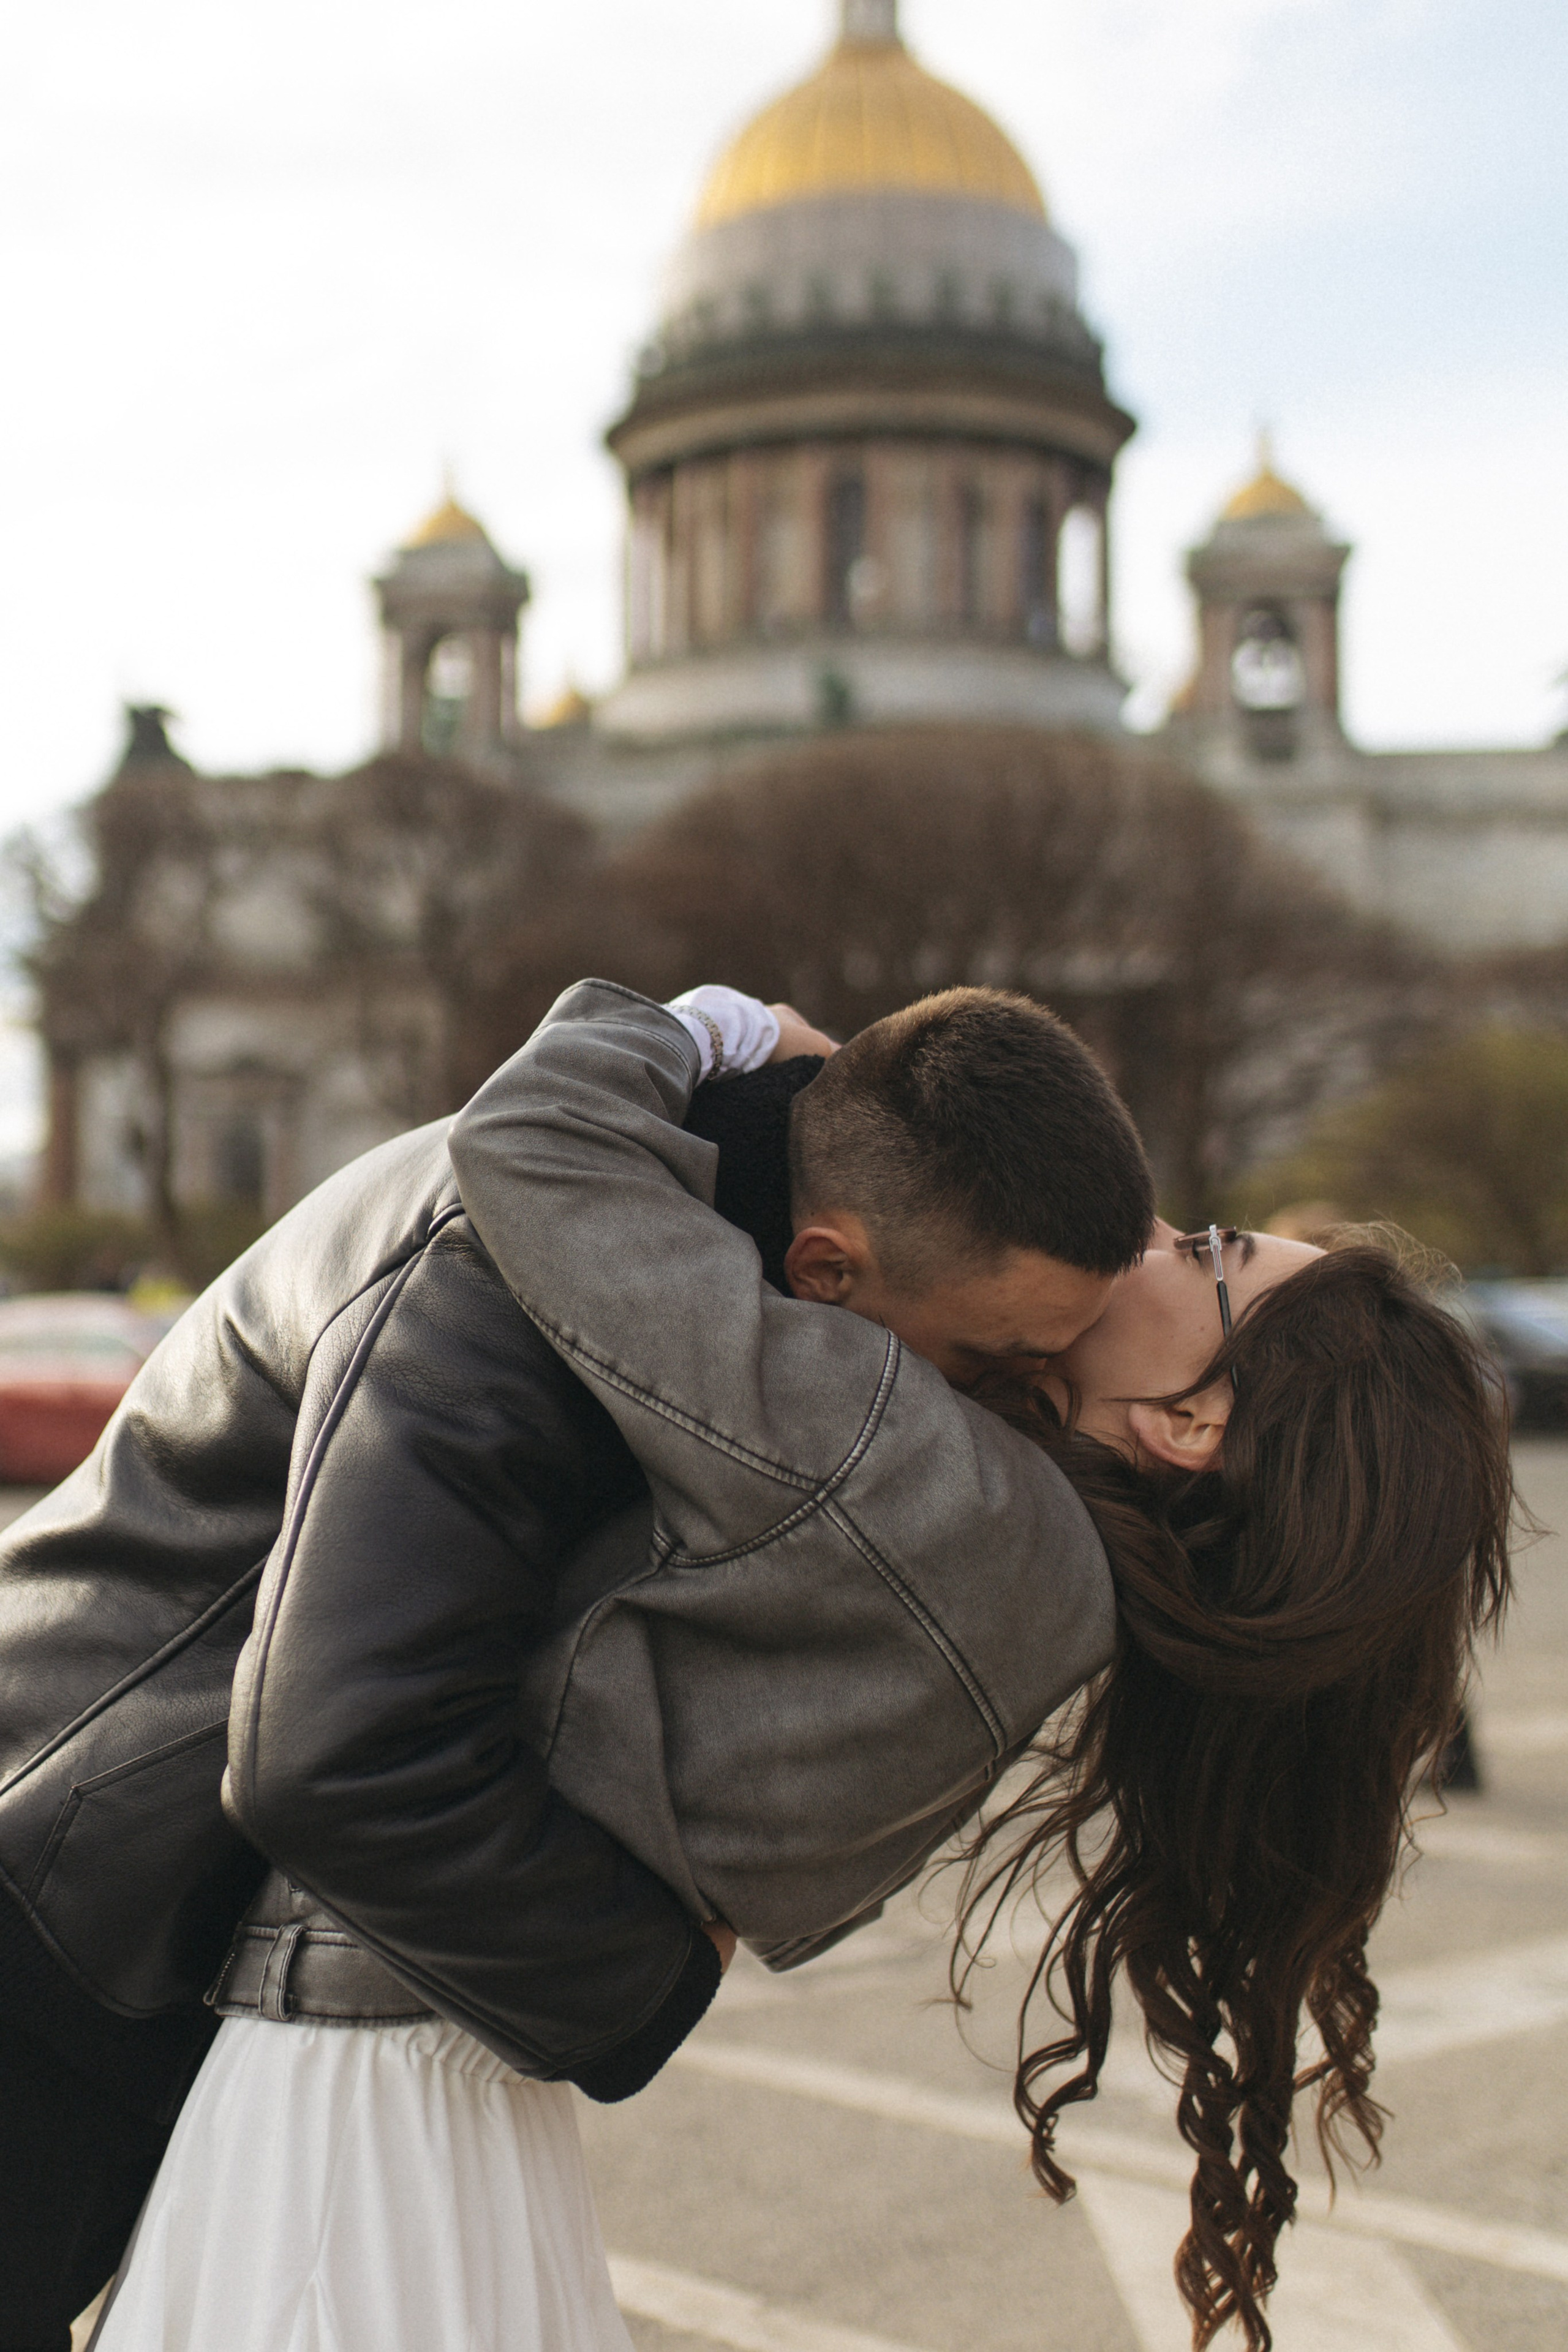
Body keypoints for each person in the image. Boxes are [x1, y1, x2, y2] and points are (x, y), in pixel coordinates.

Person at [99, 982, 1512, 2352]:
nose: (1148, 1231)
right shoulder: (1059, 1584)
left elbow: (539, 1161)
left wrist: (705, 1027)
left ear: (1195, 1424)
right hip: (456, 2072)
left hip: (354, 2058)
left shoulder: (928, 1482)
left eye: (1205, 1251)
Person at [2, 981, 1154, 2352]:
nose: (992, 1405)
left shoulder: (643, 1248)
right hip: (57, 1913)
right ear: (826, 1269)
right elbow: (340, 1758)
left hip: (110, 1918)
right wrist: (658, 1974)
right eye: (985, 1359)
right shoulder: (507, 1270)